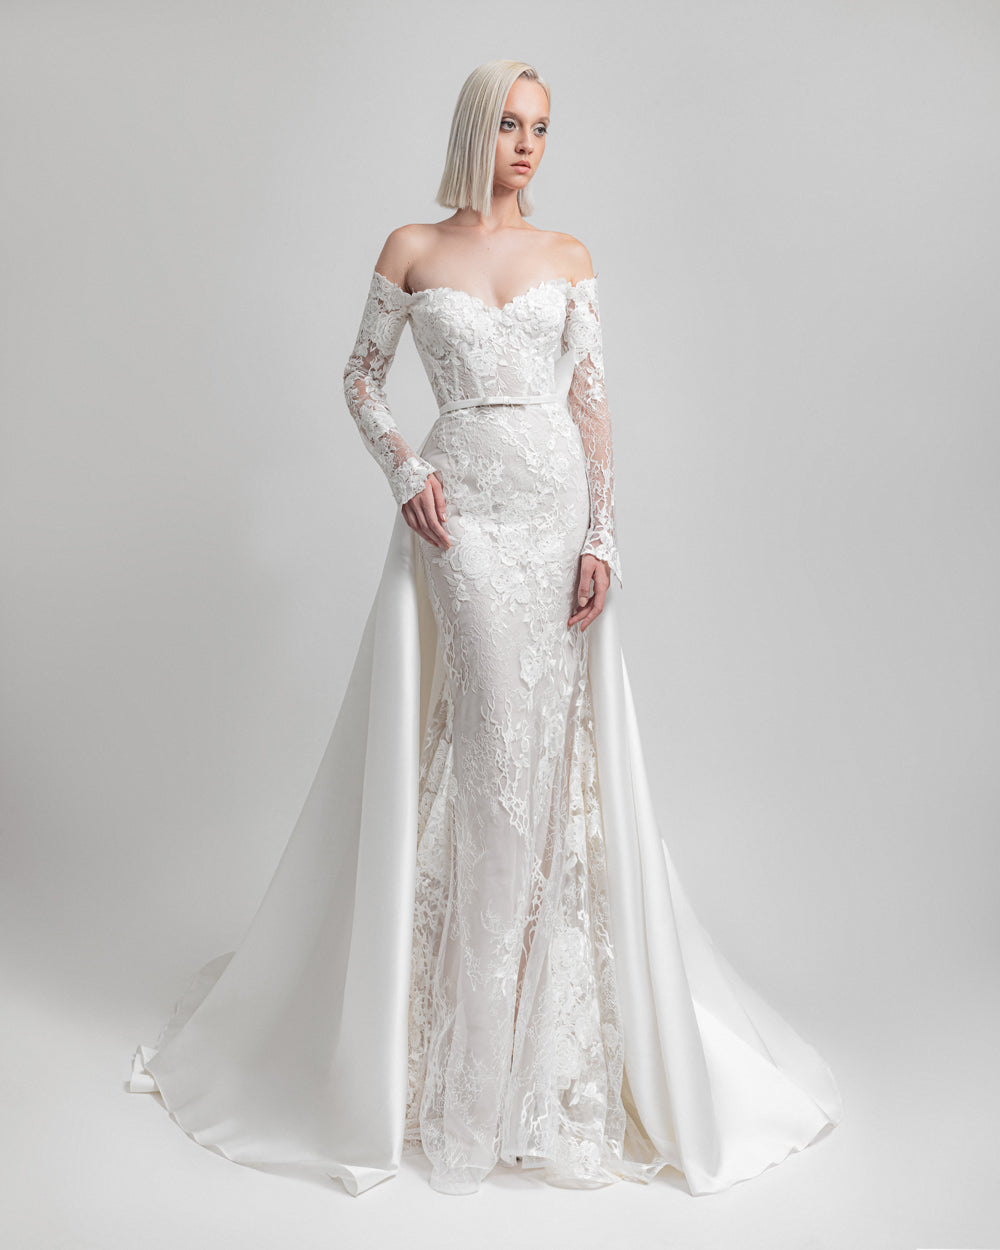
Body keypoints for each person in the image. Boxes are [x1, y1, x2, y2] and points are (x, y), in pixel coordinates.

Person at [128, 58, 842, 1199]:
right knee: (495, 756)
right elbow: (360, 378)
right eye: (509, 125)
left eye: (542, 129)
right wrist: (404, 468)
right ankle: (459, 1072)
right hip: (459, 513)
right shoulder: (412, 246)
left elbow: (591, 403)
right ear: (475, 130)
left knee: (547, 764)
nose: (527, 146)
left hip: (554, 511)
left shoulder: (569, 255)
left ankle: (534, 1067)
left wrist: (603, 535)